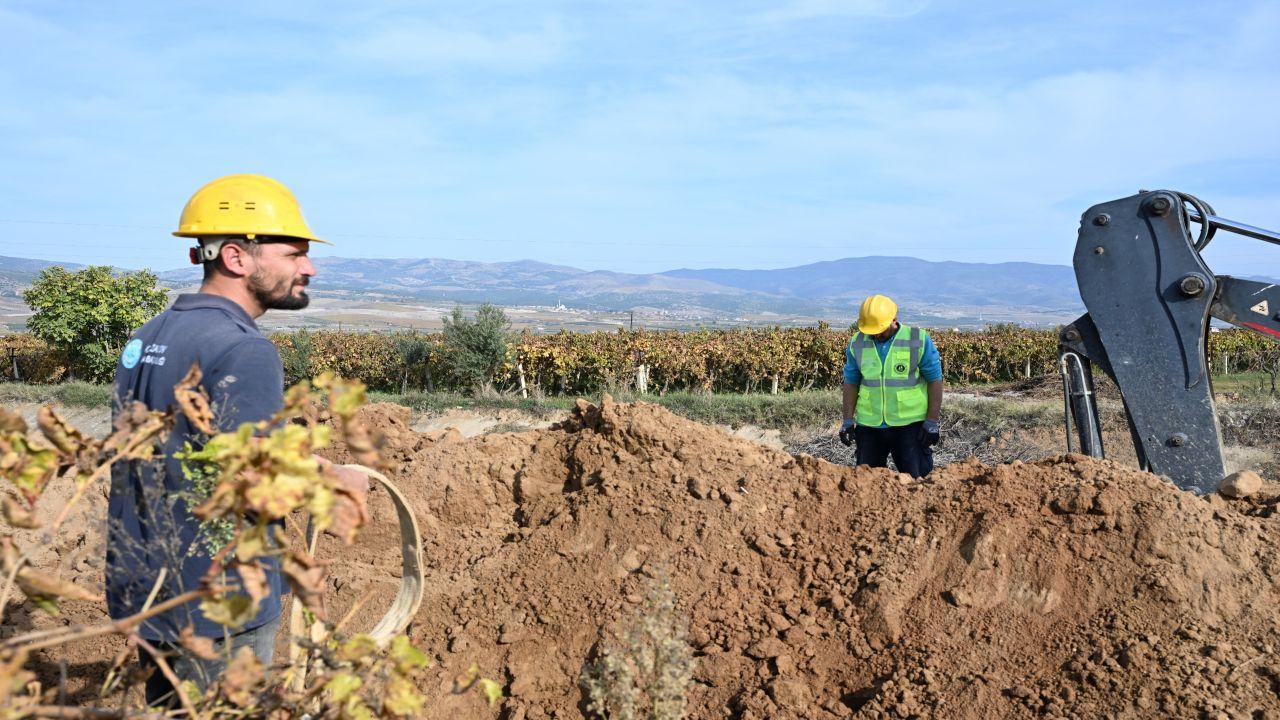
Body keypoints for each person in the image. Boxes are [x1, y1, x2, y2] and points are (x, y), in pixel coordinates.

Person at [107, 174, 364, 704]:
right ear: (236, 257)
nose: (309, 267)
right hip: (221, 599)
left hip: (151, 590)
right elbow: (250, 478)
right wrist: (334, 484)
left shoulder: (149, 336)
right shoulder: (244, 349)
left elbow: (188, 447)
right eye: (294, 253)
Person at [837, 294, 943, 478]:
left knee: (917, 480)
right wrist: (847, 420)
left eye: (879, 329)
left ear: (894, 319)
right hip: (869, 426)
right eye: (871, 330)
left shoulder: (917, 339)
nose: (875, 334)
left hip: (910, 425)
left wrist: (932, 422)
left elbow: (935, 380)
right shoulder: (857, 342)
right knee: (867, 482)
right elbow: (851, 382)